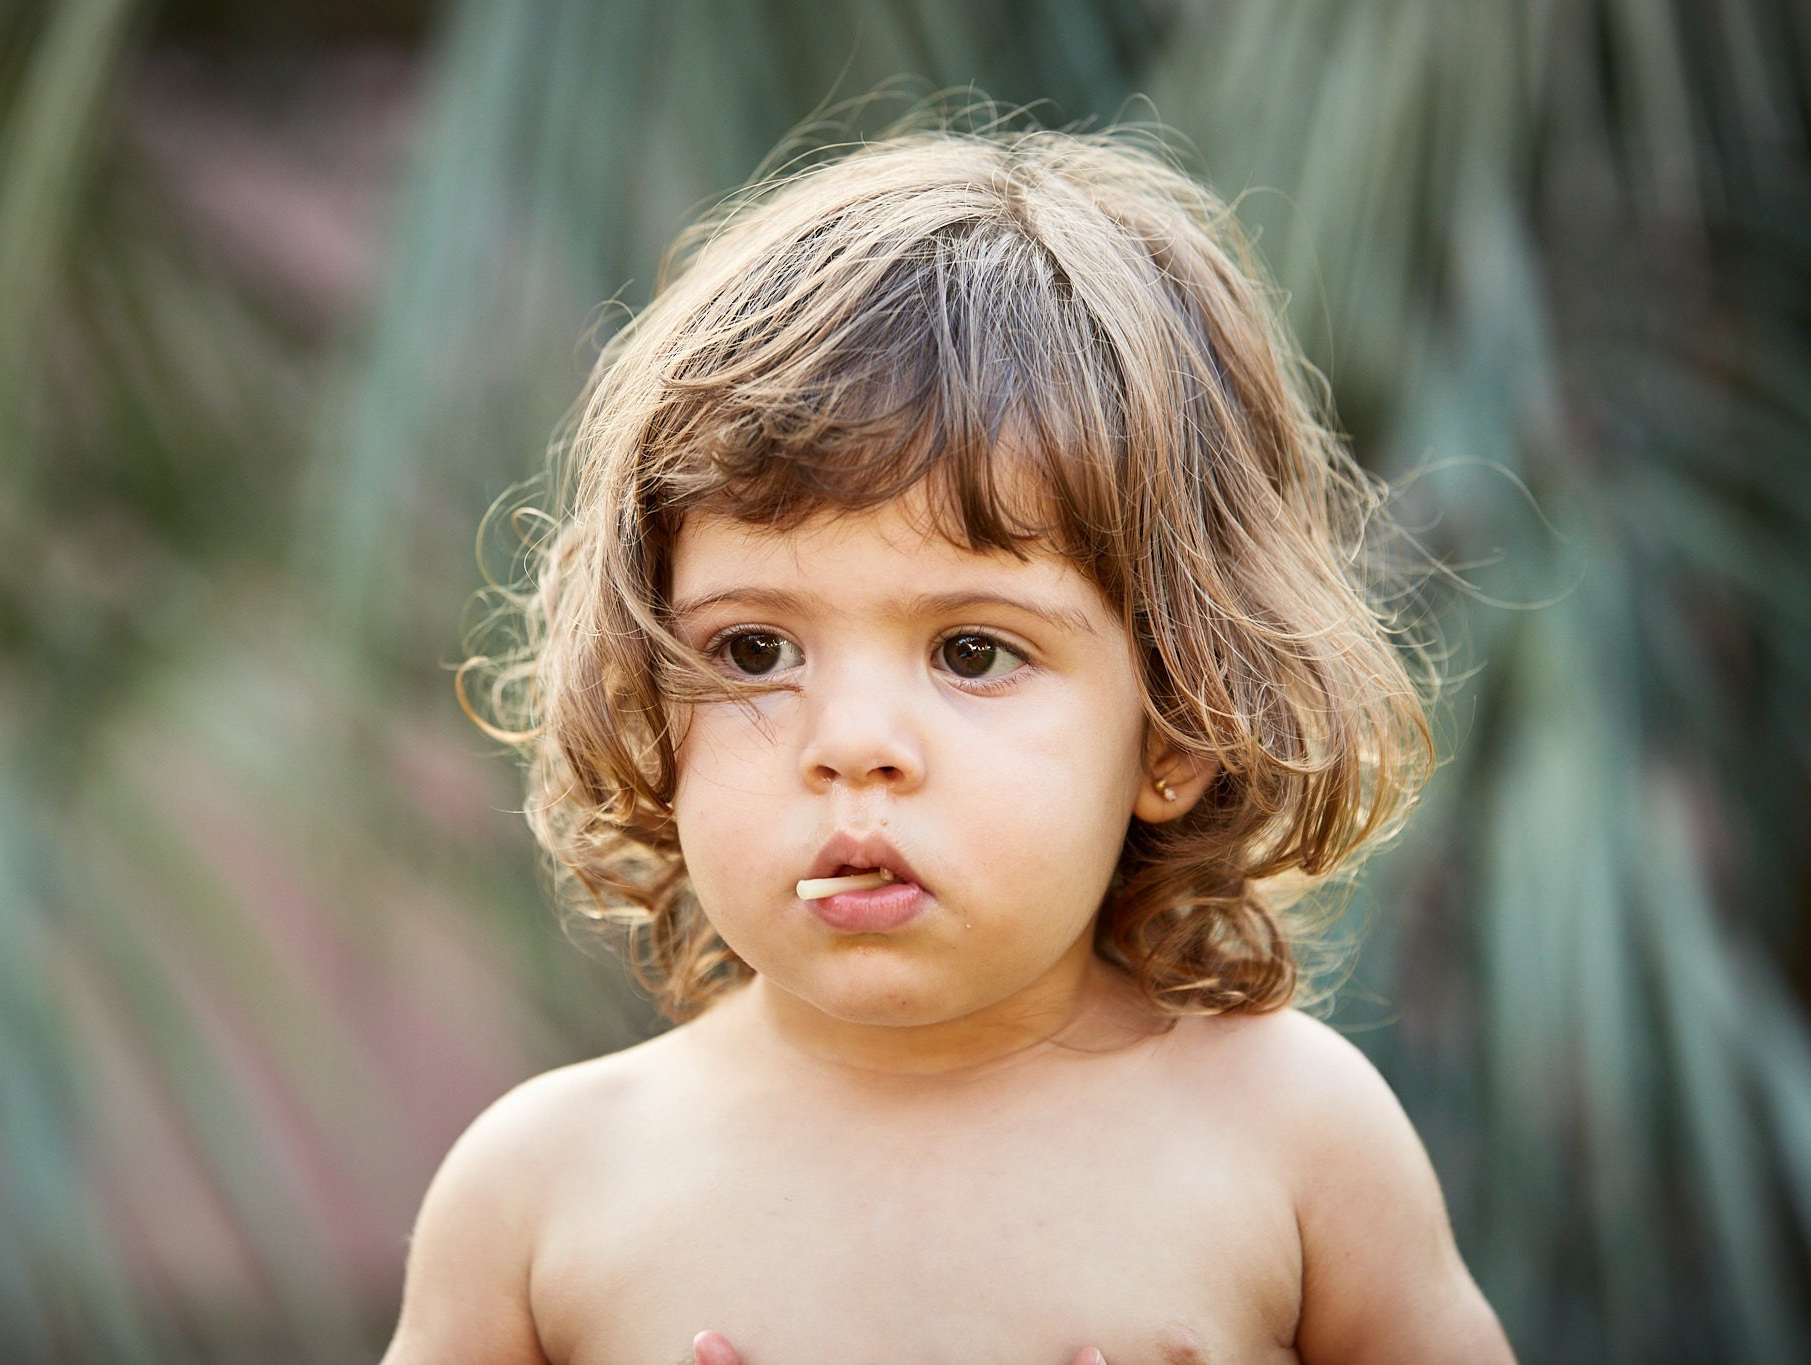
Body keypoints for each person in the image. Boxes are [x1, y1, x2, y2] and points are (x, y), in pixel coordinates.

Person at [381, 123, 1514, 1364]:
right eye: (753, 651)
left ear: (1176, 725)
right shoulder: (542, 1195)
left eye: (972, 651)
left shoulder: (1294, 1141)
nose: (851, 744)